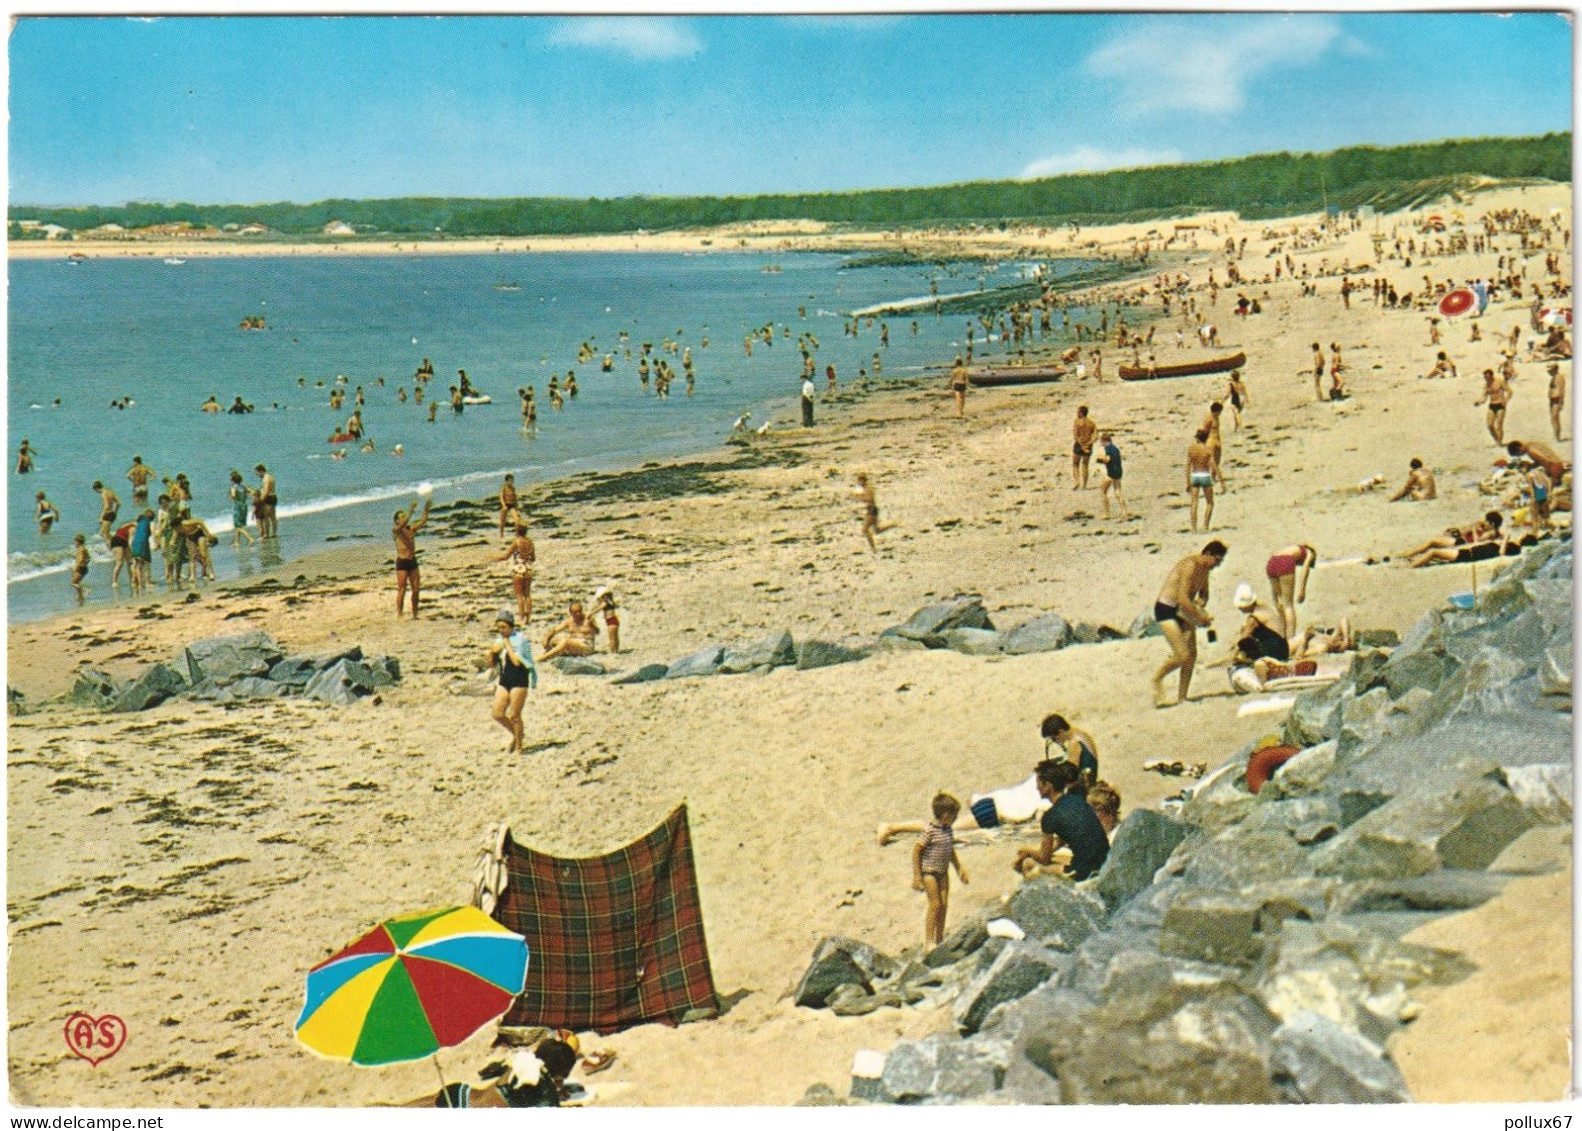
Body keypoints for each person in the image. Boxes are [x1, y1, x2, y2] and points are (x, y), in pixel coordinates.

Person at [1151, 541, 1227, 708]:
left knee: (1191, 655)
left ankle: (1182, 698)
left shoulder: (1205, 570)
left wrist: (1201, 604)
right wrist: (1200, 617)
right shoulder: (1190, 565)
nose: (1217, 565)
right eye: (1217, 560)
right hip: (1167, 609)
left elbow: (1205, 594)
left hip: (1183, 612)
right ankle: (1157, 679)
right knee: (1182, 654)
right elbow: (1183, 598)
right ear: (1208, 554)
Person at [1011, 760, 1110, 882]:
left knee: (1029, 865)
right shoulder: (1077, 800)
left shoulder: (1050, 817)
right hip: (1105, 861)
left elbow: (1044, 859)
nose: (1037, 788)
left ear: (1048, 785)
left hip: (1084, 871)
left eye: (1039, 784)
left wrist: (1027, 851)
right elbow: (1061, 842)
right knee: (1057, 857)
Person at [913, 793, 968, 948]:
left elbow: (950, 850)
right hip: (929, 872)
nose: (955, 819)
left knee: (944, 904)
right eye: (954, 816)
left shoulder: (948, 830)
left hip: (943, 872)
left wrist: (959, 868)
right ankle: (929, 940)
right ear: (945, 815)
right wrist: (917, 876)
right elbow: (917, 851)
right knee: (935, 904)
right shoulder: (929, 831)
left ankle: (939, 937)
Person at [486, 609, 536, 756]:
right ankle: (517, 735)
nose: (501, 631)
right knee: (497, 713)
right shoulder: (499, 639)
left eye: (504, 628)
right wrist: (492, 652)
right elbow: (491, 663)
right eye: (499, 627)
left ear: (511, 627)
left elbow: (516, 662)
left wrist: (507, 646)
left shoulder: (520, 639)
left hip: (519, 677)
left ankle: (519, 746)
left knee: (514, 715)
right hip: (505, 677)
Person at [1404, 511, 1504, 567]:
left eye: (1487, 521)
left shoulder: (1489, 533)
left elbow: (1477, 541)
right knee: (1434, 544)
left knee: (1433, 543)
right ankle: (1412, 556)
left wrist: (1474, 528)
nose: (1485, 522)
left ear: (1492, 524)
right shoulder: (1494, 532)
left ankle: (1411, 556)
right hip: (1463, 542)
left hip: (1462, 544)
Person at [1265, 542, 1317, 638]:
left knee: (1278, 603)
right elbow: (1306, 569)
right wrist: (1302, 589)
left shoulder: (1294, 548)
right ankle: (1290, 637)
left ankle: (1282, 634)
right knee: (1288, 605)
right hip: (1284, 562)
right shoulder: (1310, 553)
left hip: (1271, 562)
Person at [392, 496, 433, 617]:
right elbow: (402, 524)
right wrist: (410, 510)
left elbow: (423, 521)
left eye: (404, 516)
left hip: (412, 561)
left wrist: (426, 509)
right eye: (401, 517)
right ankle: (400, 614)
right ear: (397, 521)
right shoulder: (396, 530)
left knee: (416, 589)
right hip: (402, 562)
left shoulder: (411, 529)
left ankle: (415, 614)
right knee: (402, 589)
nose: (404, 519)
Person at [1040, 713, 1099, 787]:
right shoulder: (1079, 733)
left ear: (1061, 732)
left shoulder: (1074, 743)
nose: (1055, 742)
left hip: (1084, 787)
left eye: (1054, 739)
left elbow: (1069, 772)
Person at [494, 525, 535, 623]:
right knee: (527, 595)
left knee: (519, 595)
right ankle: (528, 618)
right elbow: (533, 558)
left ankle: (521, 617)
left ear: (517, 532)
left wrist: (494, 558)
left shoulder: (516, 542)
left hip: (518, 569)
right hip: (528, 568)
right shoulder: (530, 542)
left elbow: (506, 556)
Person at [854, 472, 896, 553]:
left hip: (872, 510)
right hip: (872, 510)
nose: (859, 482)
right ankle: (892, 524)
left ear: (863, 480)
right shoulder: (866, 488)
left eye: (860, 480)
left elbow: (869, 499)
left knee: (865, 530)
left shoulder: (868, 489)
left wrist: (860, 497)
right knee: (877, 530)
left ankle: (873, 549)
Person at [1186, 429, 1216, 531]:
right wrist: (1220, 480)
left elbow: (1188, 466)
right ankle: (1205, 526)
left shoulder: (1191, 449)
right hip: (1205, 475)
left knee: (1194, 503)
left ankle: (1194, 528)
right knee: (1210, 502)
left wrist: (1188, 482)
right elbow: (1213, 465)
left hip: (1195, 475)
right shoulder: (1208, 450)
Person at [1096, 432, 1130, 518]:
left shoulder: (1108, 449)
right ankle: (1124, 512)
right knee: (1118, 492)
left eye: (1101, 441)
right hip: (1118, 472)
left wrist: (1100, 460)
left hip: (1111, 473)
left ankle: (1107, 513)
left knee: (1103, 491)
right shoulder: (1115, 448)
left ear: (1104, 441)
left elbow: (1107, 459)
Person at [1506, 440, 1571, 484]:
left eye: (1519, 454)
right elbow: (1540, 461)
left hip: (1555, 469)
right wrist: (1530, 466)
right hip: (1558, 464)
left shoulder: (1531, 451)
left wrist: (1548, 475)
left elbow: (1546, 462)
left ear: (1519, 449)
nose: (1522, 455)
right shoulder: (1531, 444)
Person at [1475, 367, 1511, 445]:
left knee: (1499, 424)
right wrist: (1479, 402)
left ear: (1491, 376)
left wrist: (1505, 401)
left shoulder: (1499, 381)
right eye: (1485, 377)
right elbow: (1484, 397)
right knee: (1490, 425)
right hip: (1492, 405)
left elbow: (1509, 391)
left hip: (1500, 405)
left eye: (1487, 377)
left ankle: (1499, 442)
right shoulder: (1486, 385)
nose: (1486, 379)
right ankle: (1497, 438)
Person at [129, 508, 156, 596]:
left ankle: (134, 582)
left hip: (134, 543)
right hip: (143, 544)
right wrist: (156, 542)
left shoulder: (139, 522)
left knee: (135, 564)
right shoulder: (150, 522)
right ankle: (143, 584)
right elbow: (152, 533)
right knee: (142, 564)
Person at [228, 471, 256, 546]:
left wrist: (232, 496)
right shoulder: (244, 487)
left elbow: (233, 495)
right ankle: (236, 542)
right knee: (240, 525)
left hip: (237, 507)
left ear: (233, 480)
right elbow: (253, 492)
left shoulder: (233, 487)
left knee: (238, 526)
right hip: (244, 506)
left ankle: (250, 538)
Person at [590, 585, 620, 654]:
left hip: (611, 621)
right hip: (614, 620)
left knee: (611, 637)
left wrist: (591, 613)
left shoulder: (605, 603)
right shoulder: (611, 602)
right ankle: (616, 650)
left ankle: (613, 652)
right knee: (615, 637)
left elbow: (599, 608)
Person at [1071, 406, 1096, 489]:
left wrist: (1081, 445)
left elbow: (1075, 435)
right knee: (1085, 465)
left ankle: (1077, 481)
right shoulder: (1091, 423)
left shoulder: (1077, 422)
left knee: (1075, 464)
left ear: (1082, 413)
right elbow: (1095, 436)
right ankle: (1084, 485)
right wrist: (1088, 444)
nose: (1077, 414)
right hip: (1088, 445)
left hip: (1078, 444)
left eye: (1078, 412)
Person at [92, 481, 121, 545]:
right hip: (112, 514)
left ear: (97, 488)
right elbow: (119, 503)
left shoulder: (103, 493)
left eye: (96, 491)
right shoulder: (110, 492)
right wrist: (115, 512)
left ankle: (113, 547)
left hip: (107, 514)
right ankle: (117, 543)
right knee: (107, 533)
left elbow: (106, 506)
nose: (97, 492)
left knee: (103, 533)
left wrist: (101, 516)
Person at [254, 465, 278, 538]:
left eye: (257, 473)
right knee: (273, 517)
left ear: (260, 471)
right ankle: (274, 533)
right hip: (273, 496)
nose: (257, 475)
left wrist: (261, 500)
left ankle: (267, 534)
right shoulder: (270, 476)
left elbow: (266, 491)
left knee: (266, 517)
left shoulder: (266, 478)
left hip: (268, 498)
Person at [498, 474, 520, 541]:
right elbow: (501, 497)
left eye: (512, 480)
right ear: (507, 481)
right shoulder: (503, 487)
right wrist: (504, 505)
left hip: (512, 505)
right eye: (510, 480)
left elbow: (515, 498)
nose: (512, 482)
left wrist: (517, 506)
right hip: (505, 505)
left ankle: (517, 535)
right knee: (503, 521)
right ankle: (501, 535)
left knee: (516, 520)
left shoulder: (513, 488)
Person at [1548, 363, 1567, 441]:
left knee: (1555, 417)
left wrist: (1560, 402)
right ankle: (1555, 435)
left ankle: (1558, 437)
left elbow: (1561, 391)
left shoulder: (1559, 378)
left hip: (1557, 400)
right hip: (1553, 400)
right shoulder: (1553, 377)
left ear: (1555, 369)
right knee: (1553, 418)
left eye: (1550, 370)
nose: (1548, 371)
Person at [70, 534, 90, 604]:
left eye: (75, 542)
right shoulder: (84, 548)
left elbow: (80, 559)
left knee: (73, 583)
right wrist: (85, 564)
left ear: (78, 542)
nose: (74, 544)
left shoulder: (80, 549)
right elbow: (89, 558)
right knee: (76, 582)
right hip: (84, 568)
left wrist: (76, 568)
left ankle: (85, 590)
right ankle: (80, 596)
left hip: (80, 568)